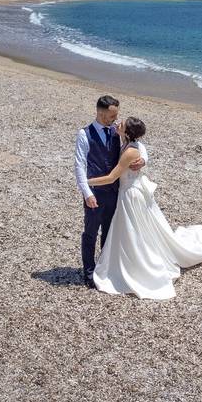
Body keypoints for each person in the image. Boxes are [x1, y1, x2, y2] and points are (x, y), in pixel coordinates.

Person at [88, 117, 202, 299]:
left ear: (128, 133)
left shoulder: (130, 151)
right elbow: (142, 149)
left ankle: (139, 267)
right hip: (129, 191)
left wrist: (86, 182)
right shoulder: (127, 142)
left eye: (121, 124)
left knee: (133, 232)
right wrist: (144, 159)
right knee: (134, 230)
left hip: (131, 195)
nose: (118, 123)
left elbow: (111, 177)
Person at [74, 96, 145, 288]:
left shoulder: (117, 131)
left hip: (115, 192)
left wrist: (143, 160)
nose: (115, 119)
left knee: (109, 232)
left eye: (116, 115)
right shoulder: (84, 134)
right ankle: (88, 274)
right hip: (95, 193)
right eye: (112, 115)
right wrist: (87, 192)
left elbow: (137, 146)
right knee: (90, 233)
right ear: (100, 113)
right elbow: (79, 166)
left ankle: (104, 270)